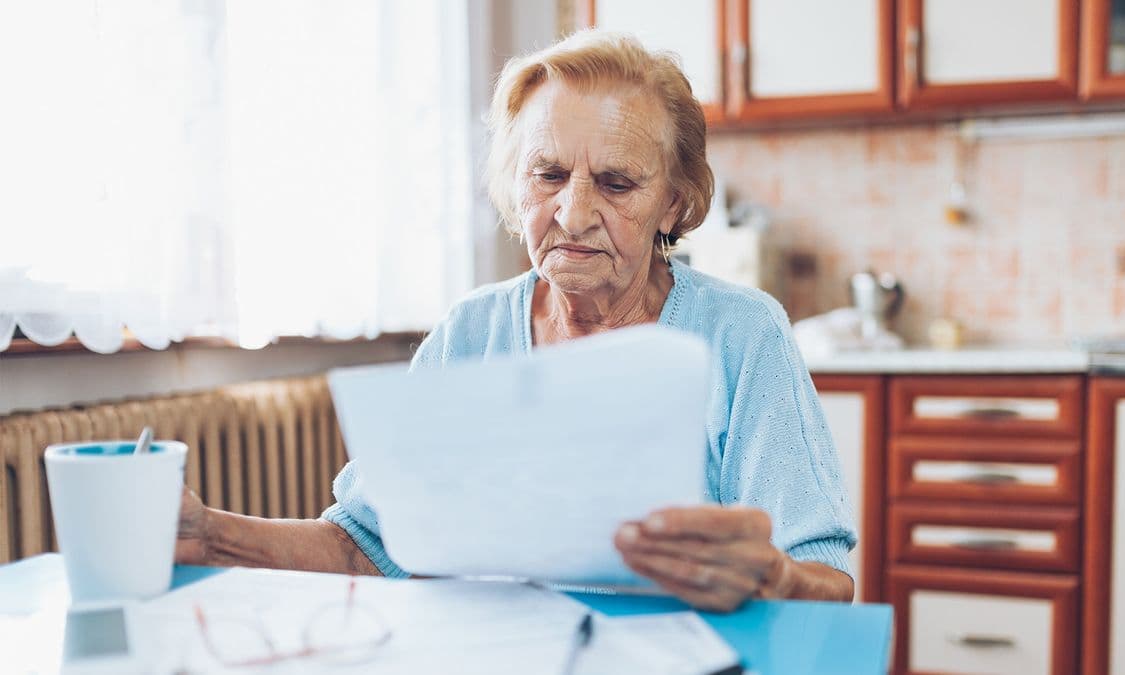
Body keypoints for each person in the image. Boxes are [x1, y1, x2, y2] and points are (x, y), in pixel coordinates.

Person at [175, 30, 856, 612]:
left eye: (616, 183)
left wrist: (770, 574)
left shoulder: (742, 334)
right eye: (549, 175)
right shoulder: (471, 333)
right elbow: (363, 547)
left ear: (674, 206)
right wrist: (209, 535)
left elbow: (827, 579)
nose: (573, 212)